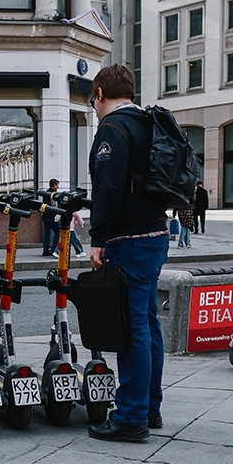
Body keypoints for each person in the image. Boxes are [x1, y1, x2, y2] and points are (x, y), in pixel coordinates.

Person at [86, 64, 169, 443]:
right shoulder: (149, 123)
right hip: (155, 234)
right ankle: (149, 407)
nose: (94, 108)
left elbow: (108, 187)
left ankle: (131, 416)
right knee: (148, 323)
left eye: (93, 101)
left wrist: (99, 237)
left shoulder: (113, 129)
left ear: (100, 93)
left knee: (132, 327)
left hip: (129, 239)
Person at [42, 178, 61, 256]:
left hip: (45, 216)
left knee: (47, 233)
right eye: (57, 185)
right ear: (54, 185)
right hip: (52, 216)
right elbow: (54, 205)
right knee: (58, 232)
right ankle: (54, 249)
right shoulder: (54, 194)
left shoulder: (46, 193)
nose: (58, 187)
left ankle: (46, 249)